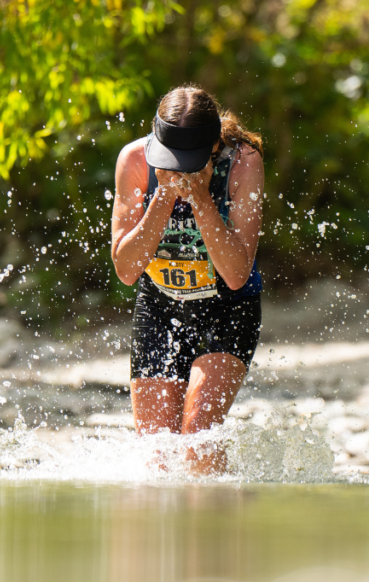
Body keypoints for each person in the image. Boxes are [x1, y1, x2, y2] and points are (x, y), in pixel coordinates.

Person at [110, 85, 264, 473]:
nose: (178, 167)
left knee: (198, 440)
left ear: (214, 147)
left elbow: (235, 273)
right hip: (160, 305)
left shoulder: (243, 161)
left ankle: (214, 529)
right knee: (158, 456)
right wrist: (163, 196)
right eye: (170, 159)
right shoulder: (133, 159)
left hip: (228, 308)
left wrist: (200, 197)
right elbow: (127, 270)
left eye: (188, 161)